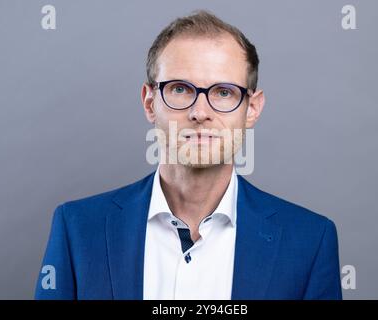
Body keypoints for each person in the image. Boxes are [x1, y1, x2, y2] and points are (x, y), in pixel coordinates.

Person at [35, 10, 342, 300]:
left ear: (253, 109)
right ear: (149, 102)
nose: (199, 112)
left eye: (223, 92)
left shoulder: (310, 242)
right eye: (180, 89)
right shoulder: (77, 229)